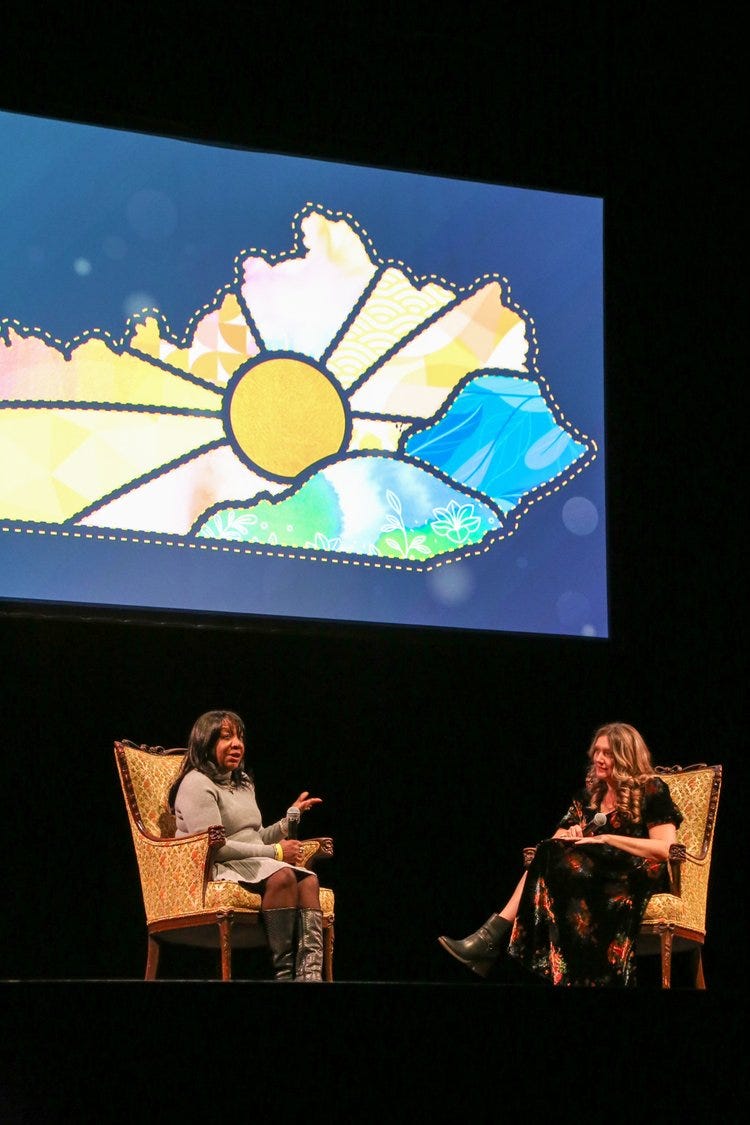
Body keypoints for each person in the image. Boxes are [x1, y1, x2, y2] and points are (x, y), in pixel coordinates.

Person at [438, 722, 683, 987]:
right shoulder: (590, 796)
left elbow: (665, 849)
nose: (598, 759)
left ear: (625, 757)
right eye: (596, 751)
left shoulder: (651, 789)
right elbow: (552, 842)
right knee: (550, 854)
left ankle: (490, 940)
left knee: (558, 866)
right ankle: (499, 941)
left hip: (633, 873)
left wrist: (607, 838)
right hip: (594, 872)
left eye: (607, 753)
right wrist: (571, 834)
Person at [168, 709, 327, 981]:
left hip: (250, 863)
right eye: (226, 737)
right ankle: (285, 974)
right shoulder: (196, 784)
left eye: (240, 737)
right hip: (215, 868)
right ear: (206, 742)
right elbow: (215, 847)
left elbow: (255, 837)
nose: (237, 744)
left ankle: (309, 977)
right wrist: (276, 852)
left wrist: (289, 820)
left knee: (309, 881)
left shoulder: (242, 782)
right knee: (284, 875)